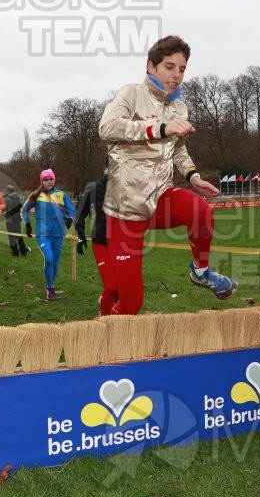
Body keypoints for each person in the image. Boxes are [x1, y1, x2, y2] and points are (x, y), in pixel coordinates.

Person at [98, 35, 237, 315]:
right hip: (125, 210)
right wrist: (161, 128)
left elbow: (178, 151)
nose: (176, 75)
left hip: (159, 197)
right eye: (169, 67)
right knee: (130, 304)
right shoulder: (131, 94)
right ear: (151, 66)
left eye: (182, 69)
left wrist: (193, 176)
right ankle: (103, 324)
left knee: (199, 209)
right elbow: (107, 127)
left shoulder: (179, 107)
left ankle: (200, 271)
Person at [21, 169, 75, 299]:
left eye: (51, 179)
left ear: (54, 179)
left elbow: (72, 211)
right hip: (43, 234)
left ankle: (49, 285)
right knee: (49, 259)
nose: (49, 181)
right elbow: (24, 210)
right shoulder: (36, 195)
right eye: (46, 179)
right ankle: (50, 287)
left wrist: (70, 219)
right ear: (42, 181)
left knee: (55, 262)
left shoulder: (61, 195)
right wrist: (27, 224)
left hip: (58, 234)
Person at [74, 171, 118, 315]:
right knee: (110, 286)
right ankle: (104, 320)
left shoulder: (128, 187)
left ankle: (107, 302)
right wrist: (81, 236)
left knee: (120, 288)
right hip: (101, 241)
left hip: (121, 243)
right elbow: (80, 213)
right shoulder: (94, 188)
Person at [3, 185, 30, 257]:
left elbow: (4, 209)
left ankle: (15, 253)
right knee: (19, 235)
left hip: (9, 220)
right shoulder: (18, 197)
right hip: (17, 219)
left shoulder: (7, 199)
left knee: (11, 237)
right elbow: (21, 206)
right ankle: (24, 251)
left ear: (8, 191)